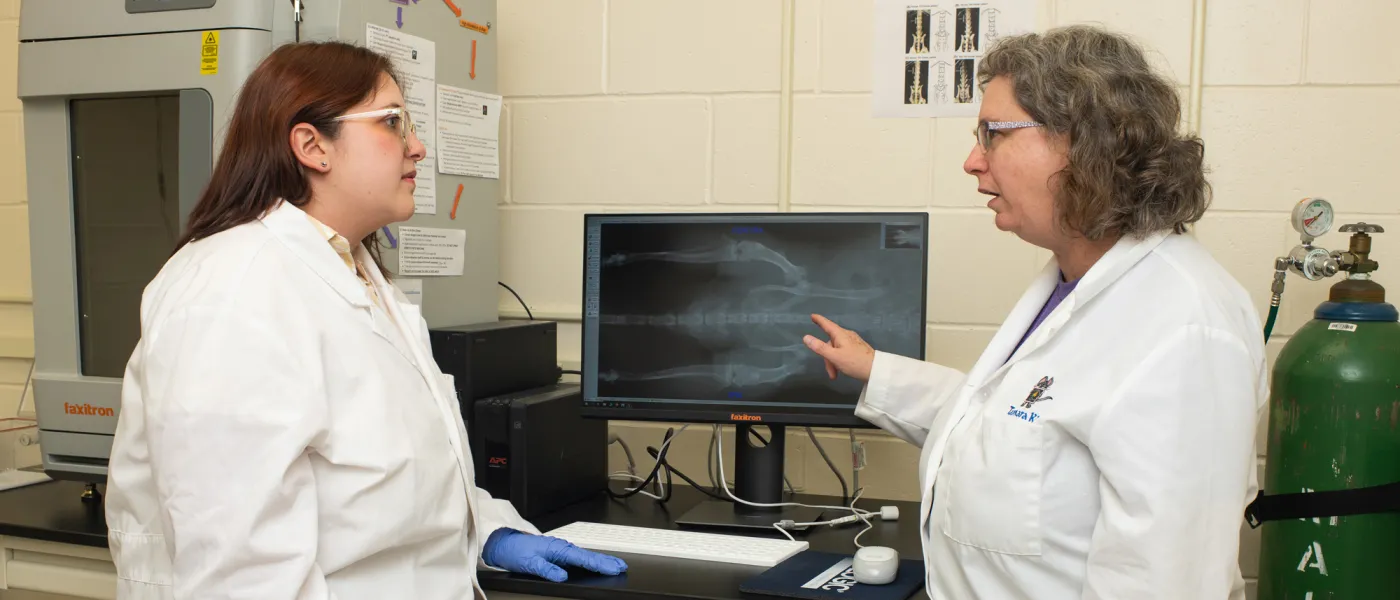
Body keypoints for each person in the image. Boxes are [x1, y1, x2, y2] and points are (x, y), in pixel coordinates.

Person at [104, 41, 625, 599]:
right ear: (312, 145)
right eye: (393, 122)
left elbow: (379, 477)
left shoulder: (356, 274)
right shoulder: (234, 286)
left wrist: (487, 528)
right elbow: (239, 571)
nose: (418, 148)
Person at [803, 25, 1266, 600]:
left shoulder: (1184, 327)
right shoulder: (1070, 282)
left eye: (993, 133)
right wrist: (876, 369)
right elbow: (1017, 426)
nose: (973, 162)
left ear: (1088, 142)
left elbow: (1164, 583)